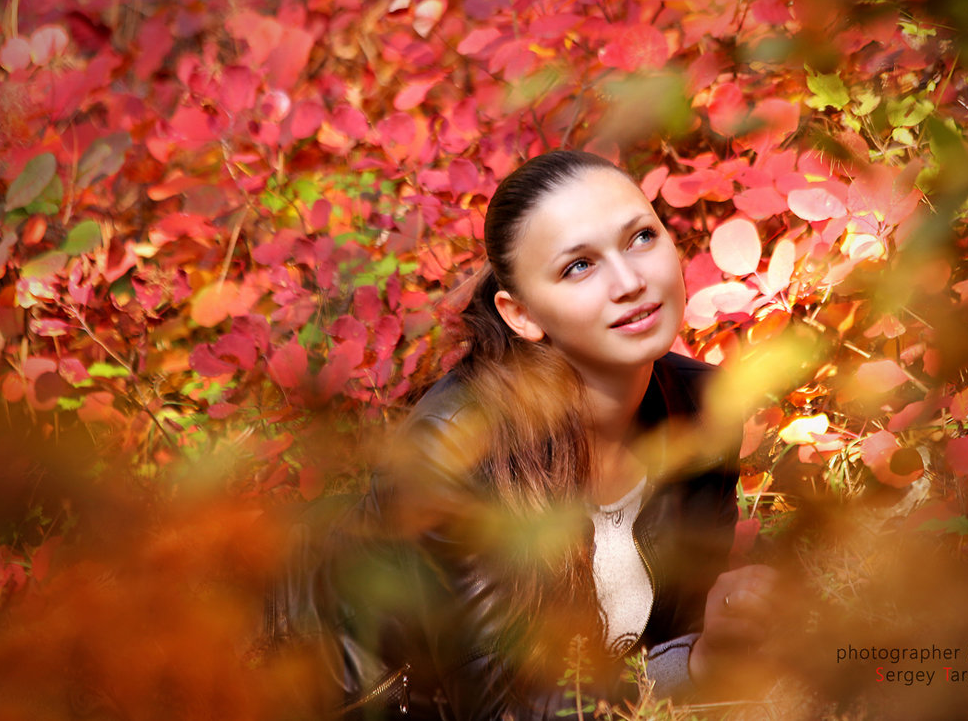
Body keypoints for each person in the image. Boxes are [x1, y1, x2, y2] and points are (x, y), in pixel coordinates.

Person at [268, 149, 777, 719]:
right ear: (522, 315)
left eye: (640, 237)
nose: (631, 281)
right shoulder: (455, 451)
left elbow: (663, 654)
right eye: (578, 266)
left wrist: (708, 656)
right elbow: (502, 710)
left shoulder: (705, 407)